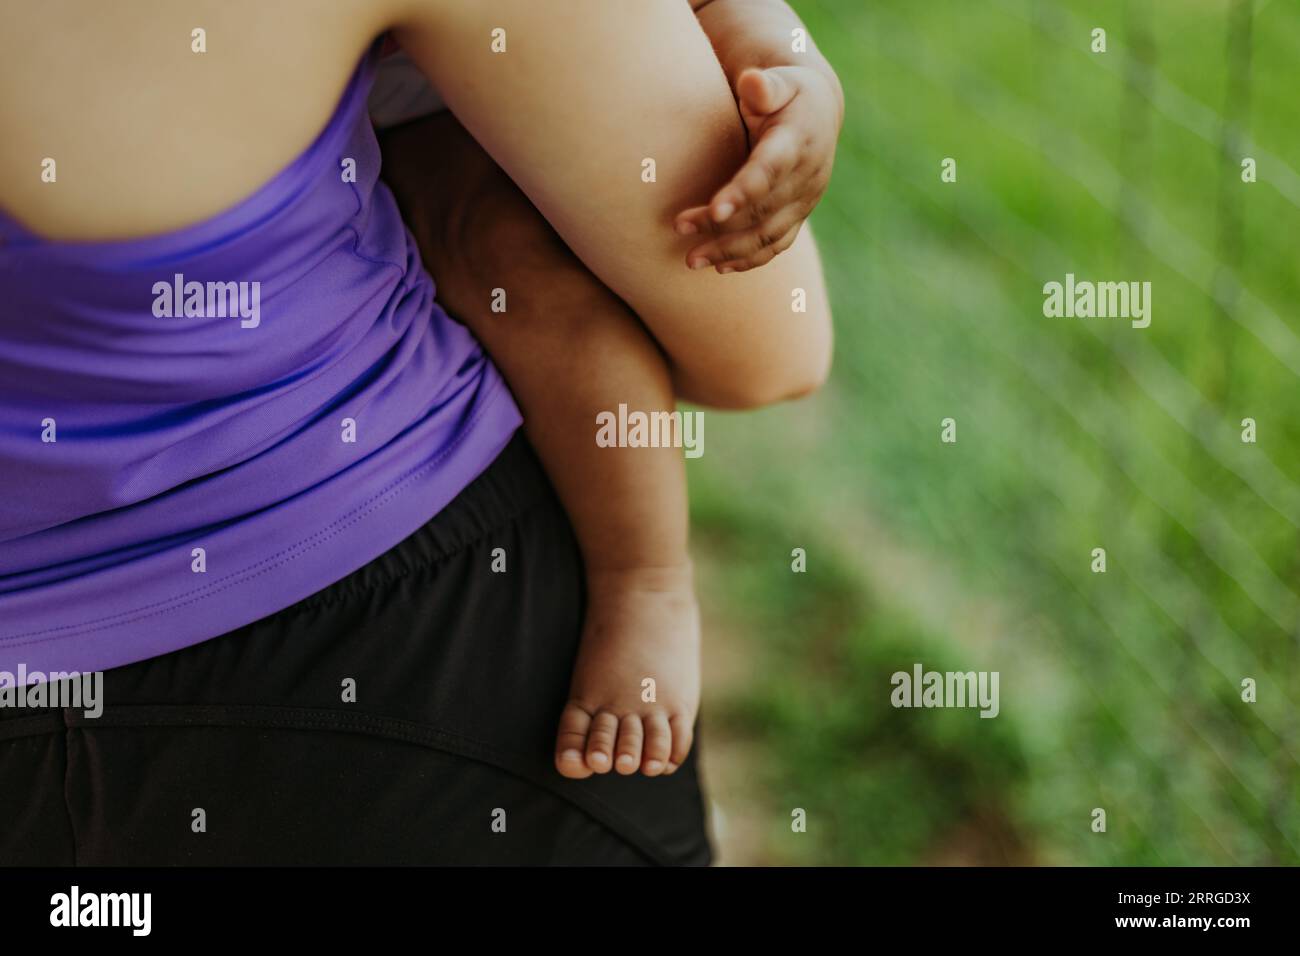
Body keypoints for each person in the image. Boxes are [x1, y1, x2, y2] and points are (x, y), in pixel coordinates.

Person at [0, 0, 834, 864]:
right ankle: (643, 579)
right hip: (394, 595)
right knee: (516, 262)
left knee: (515, 262)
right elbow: (769, 351)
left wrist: (780, 55)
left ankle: (647, 581)